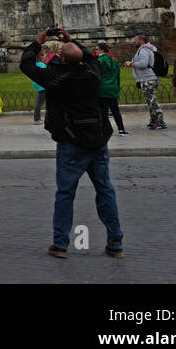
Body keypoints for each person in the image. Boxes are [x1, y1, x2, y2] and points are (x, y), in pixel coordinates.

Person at [20, 27, 124, 258]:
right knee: (105, 189)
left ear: (62, 59)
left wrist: (37, 42)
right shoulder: (92, 73)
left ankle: (61, 244)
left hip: (71, 140)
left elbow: (26, 64)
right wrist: (72, 41)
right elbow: (88, 58)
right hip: (97, 139)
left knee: (65, 193)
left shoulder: (56, 77)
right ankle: (115, 243)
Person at [125, 34, 166, 130]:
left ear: (141, 40)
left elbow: (143, 64)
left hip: (148, 79)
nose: (134, 41)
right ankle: (154, 121)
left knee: (152, 101)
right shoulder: (146, 49)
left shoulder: (143, 50)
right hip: (147, 78)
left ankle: (160, 122)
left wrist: (131, 63)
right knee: (150, 101)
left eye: (135, 39)